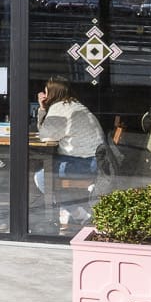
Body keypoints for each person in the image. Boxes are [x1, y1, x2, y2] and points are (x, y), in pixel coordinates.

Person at [35, 78, 103, 226]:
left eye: (46, 91)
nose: (43, 95)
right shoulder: (74, 105)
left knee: (41, 177)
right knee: (49, 172)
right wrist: (44, 109)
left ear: (52, 93)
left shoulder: (59, 109)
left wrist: (42, 109)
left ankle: (81, 215)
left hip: (85, 163)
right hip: (95, 160)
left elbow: (45, 136)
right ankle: (77, 210)